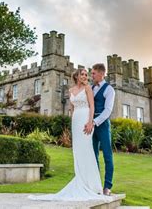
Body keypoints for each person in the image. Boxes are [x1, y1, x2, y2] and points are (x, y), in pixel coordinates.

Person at [28, 67, 112, 202]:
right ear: (76, 76)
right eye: (83, 74)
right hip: (76, 122)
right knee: (77, 152)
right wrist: (72, 123)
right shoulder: (71, 90)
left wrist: (90, 122)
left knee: (87, 151)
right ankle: (80, 180)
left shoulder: (88, 89)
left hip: (86, 119)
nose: (85, 76)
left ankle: (92, 185)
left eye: (87, 74)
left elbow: (92, 107)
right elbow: (71, 109)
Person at [84, 63, 115, 196]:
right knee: (93, 155)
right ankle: (96, 184)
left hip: (102, 125)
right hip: (91, 124)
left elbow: (108, 111)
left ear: (101, 74)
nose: (92, 76)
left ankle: (107, 186)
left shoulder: (109, 90)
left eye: (93, 73)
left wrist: (95, 122)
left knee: (107, 155)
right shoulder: (91, 88)